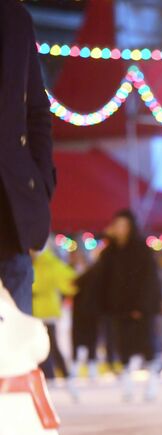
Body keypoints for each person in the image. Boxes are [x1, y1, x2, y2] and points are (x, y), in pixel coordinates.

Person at [0, 0, 55, 313]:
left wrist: (41, 178)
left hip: (11, 223)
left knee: (16, 358)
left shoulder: (15, 18)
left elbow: (37, 109)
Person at [99, 210, 162, 402]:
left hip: (140, 309)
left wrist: (143, 306)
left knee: (146, 346)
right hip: (119, 308)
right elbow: (102, 279)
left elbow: (150, 280)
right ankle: (127, 385)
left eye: (123, 225)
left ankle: (152, 381)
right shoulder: (110, 252)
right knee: (123, 347)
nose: (119, 229)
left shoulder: (141, 250)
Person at [31, 247, 79, 402]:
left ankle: (64, 377)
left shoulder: (49, 263)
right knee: (38, 347)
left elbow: (70, 280)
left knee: (51, 345)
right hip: (31, 312)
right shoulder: (27, 262)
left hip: (46, 312)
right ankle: (48, 377)